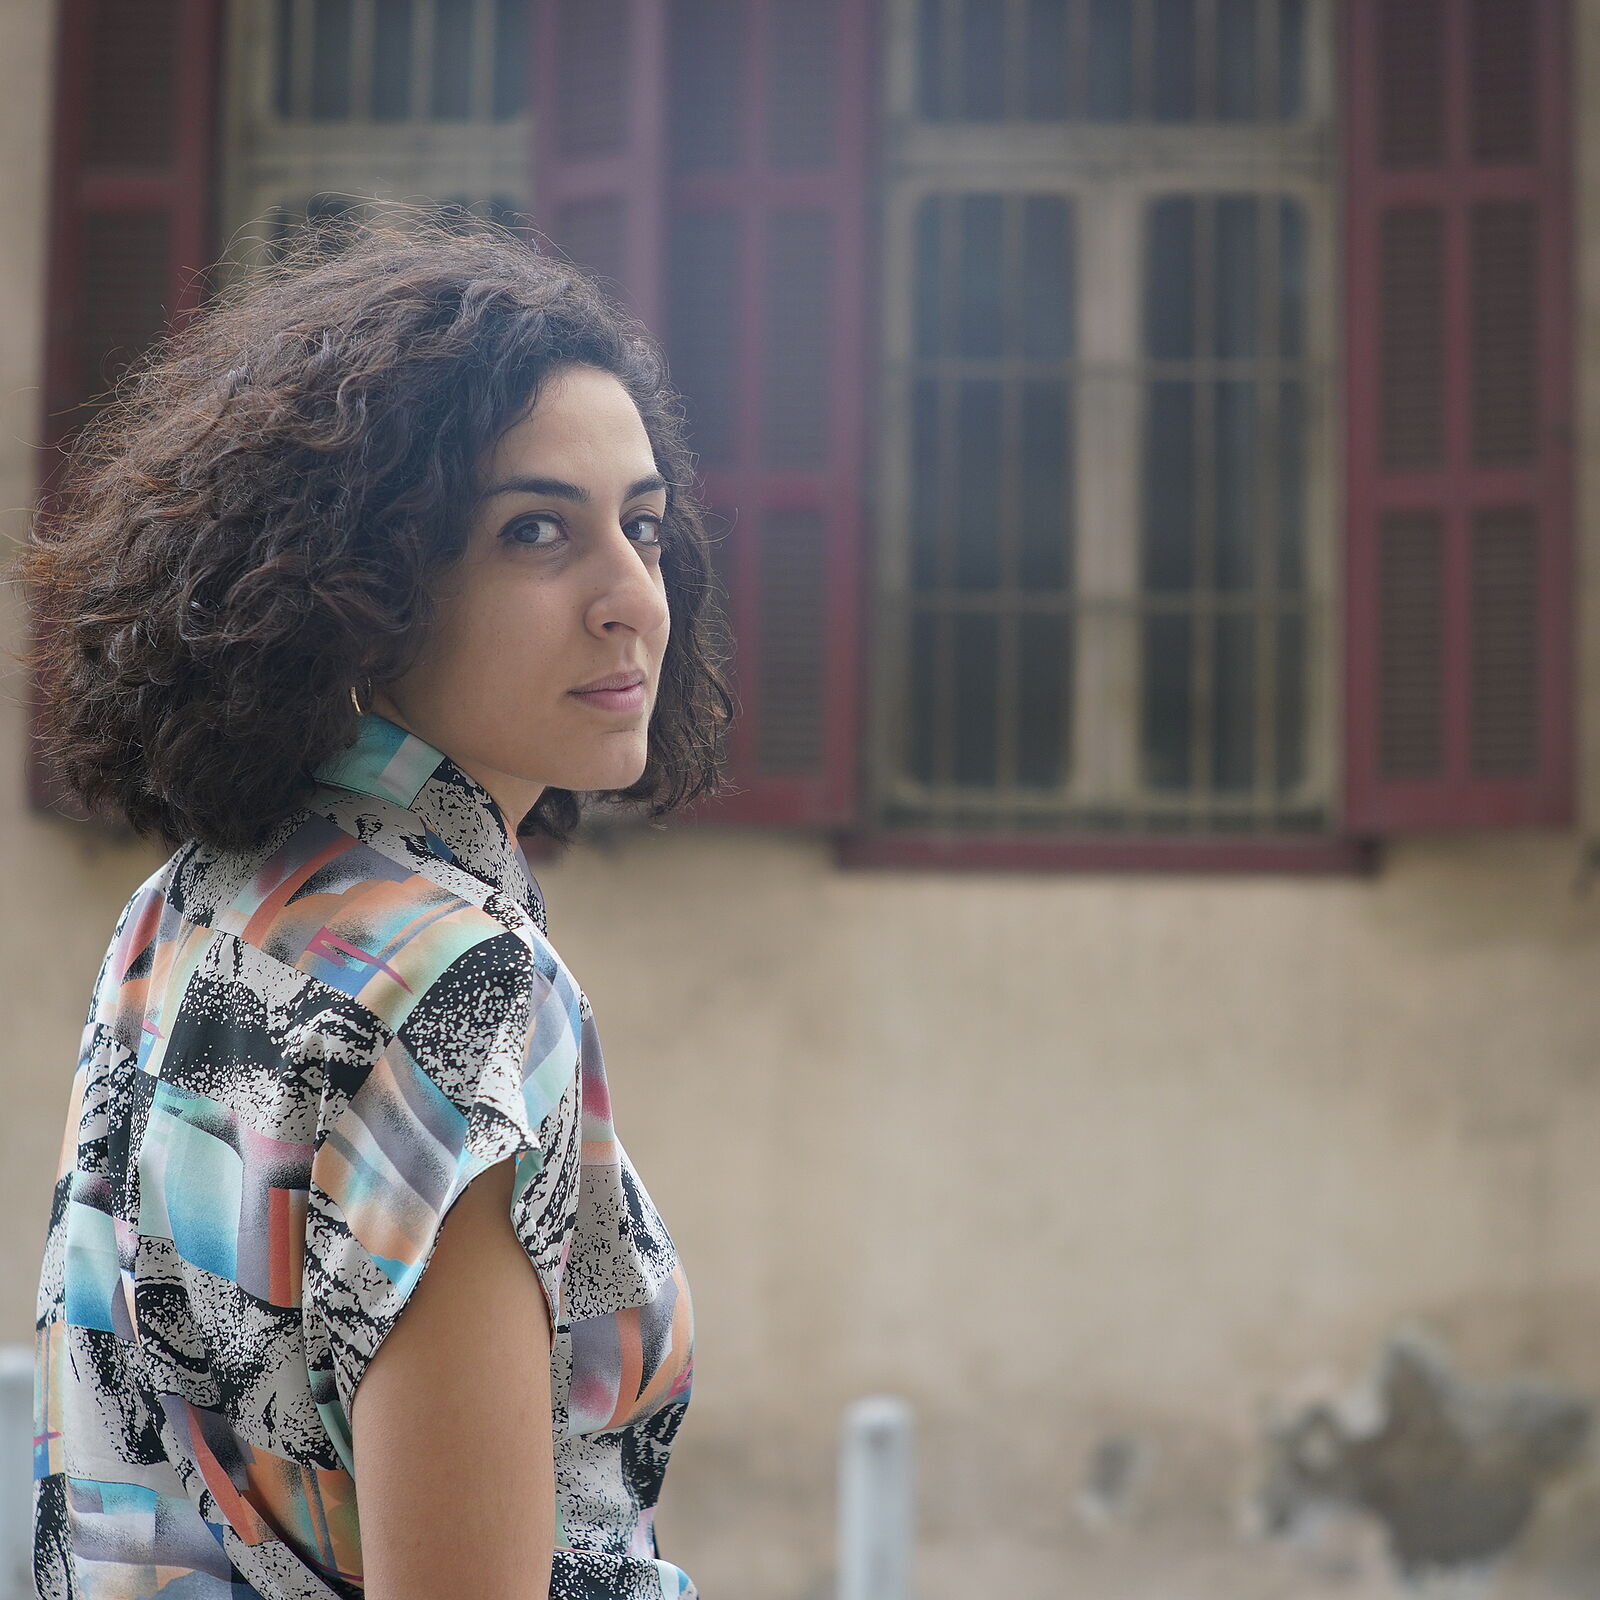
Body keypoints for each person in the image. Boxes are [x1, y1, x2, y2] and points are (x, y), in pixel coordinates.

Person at [18, 210, 731, 1600]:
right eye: (538, 532)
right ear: (364, 581)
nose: (633, 599)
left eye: (642, 527)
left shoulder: (193, 905)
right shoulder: (456, 984)